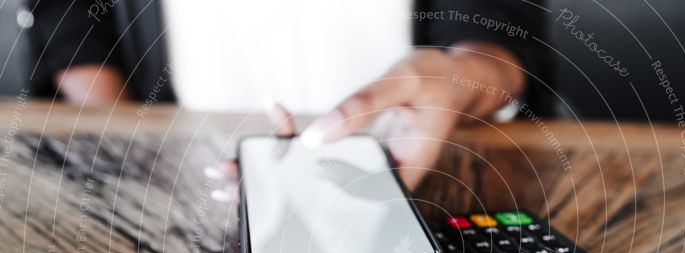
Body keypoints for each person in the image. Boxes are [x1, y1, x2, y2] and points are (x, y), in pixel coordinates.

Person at [26, 0, 549, 189]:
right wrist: (135, 159)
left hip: (416, 166)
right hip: (174, 172)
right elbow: (70, 17)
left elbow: (502, 30)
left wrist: (461, 79)